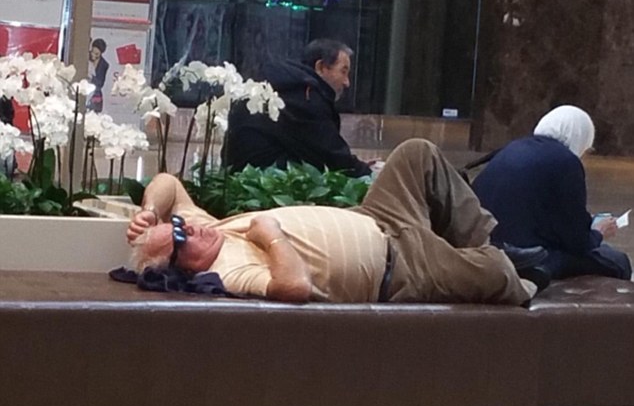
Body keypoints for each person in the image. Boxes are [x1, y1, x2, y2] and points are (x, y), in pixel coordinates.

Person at [127, 139, 549, 306]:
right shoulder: (227, 272)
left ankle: (488, 242)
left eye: (179, 223)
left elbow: (168, 183)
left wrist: (149, 211)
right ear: (183, 267)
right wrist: (272, 238)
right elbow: (295, 287)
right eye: (179, 235)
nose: (189, 227)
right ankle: (515, 269)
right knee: (495, 272)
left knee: (416, 153)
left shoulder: (208, 228)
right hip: (398, 267)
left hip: (377, 217)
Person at [472, 105, 632, 281]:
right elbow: (578, 243)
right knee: (617, 261)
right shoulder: (567, 162)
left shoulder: (511, 148)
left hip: (488, 249)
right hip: (528, 258)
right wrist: (599, 232)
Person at [224, 39, 372, 177]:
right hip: (268, 184)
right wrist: (369, 173)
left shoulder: (287, 86)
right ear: (320, 67)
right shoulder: (307, 97)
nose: (347, 83)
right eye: (343, 72)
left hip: (238, 178)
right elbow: (334, 156)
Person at [87, 38, 110, 113]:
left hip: (95, 96)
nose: (93, 55)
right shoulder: (85, 57)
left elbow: (100, 83)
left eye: (96, 54)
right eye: (92, 52)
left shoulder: (104, 65)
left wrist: (91, 78)